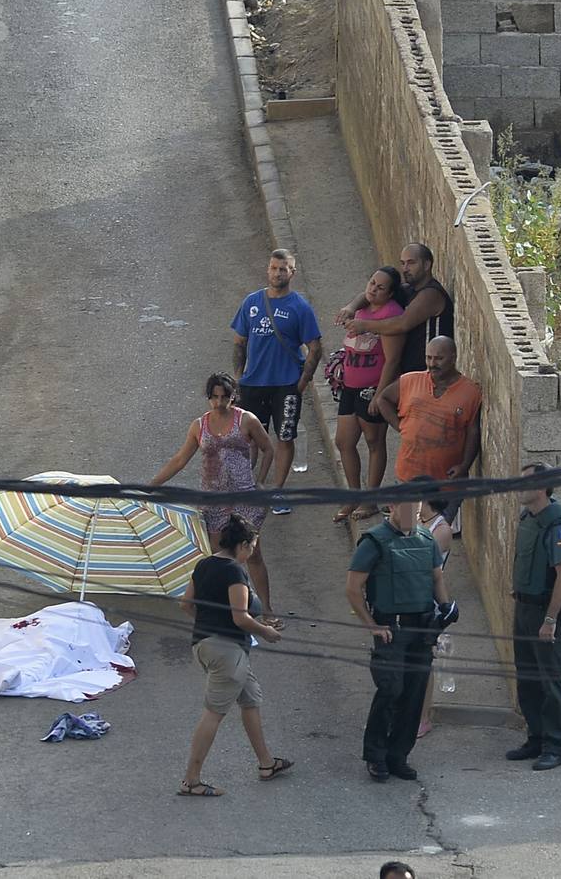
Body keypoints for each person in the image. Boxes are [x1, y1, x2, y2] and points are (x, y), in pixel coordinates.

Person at [177, 515, 292, 797]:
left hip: (208, 645)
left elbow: (186, 604)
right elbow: (240, 617)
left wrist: (209, 622)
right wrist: (266, 631)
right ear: (242, 544)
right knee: (214, 712)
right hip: (228, 650)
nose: (252, 553)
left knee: (251, 699)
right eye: (251, 547)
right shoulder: (234, 571)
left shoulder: (204, 564)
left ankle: (266, 763)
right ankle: (191, 780)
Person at [346, 500, 455, 783]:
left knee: (414, 694)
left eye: (416, 511)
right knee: (390, 690)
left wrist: (446, 608)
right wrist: (372, 626)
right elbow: (353, 588)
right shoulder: (375, 541)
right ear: (391, 507)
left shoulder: (425, 538)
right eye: (406, 509)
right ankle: (376, 756)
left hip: (421, 629)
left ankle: (398, 756)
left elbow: (436, 578)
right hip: (391, 629)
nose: (412, 516)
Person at [151, 373, 277, 613]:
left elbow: (268, 448)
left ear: (233, 397)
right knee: (221, 559)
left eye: (225, 397)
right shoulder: (199, 426)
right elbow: (179, 460)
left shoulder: (246, 420)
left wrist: (260, 481)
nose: (220, 403)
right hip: (213, 501)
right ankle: (233, 609)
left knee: (253, 555)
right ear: (208, 398)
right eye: (215, 397)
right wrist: (152, 486)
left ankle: (267, 610)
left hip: (244, 497)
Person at [231, 249, 323, 514]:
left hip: (286, 385)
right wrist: (239, 378)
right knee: (250, 437)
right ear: (267, 270)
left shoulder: (300, 308)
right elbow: (239, 342)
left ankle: (276, 491)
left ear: (292, 273)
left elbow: (315, 347)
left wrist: (302, 382)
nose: (277, 273)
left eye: (283, 269)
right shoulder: (252, 302)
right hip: (253, 383)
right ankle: (248, 488)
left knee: (285, 437)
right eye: (273, 268)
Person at [506, 463, 561, 771]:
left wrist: (550, 620)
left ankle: (554, 745)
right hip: (524, 609)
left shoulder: (556, 525)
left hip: (546, 614)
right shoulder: (528, 519)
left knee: (551, 681)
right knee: (528, 678)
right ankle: (535, 737)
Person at [333, 267, 405, 524]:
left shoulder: (391, 314)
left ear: (391, 293)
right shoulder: (363, 307)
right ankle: (354, 495)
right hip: (350, 385)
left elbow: (393, 359)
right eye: (372, 283)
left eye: (380, 287)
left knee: (375, 442)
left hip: (372, 387)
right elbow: (363, 299)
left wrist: (380, 395)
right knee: (343, 441)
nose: (373, 289)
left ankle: (370, 499)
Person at [373, 336, 481, 487]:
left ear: (453, 358)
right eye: (428, 358)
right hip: (408, 477)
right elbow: (383, 399)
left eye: (439, 359)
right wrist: (400, 426)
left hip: (446, 482)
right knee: (406, 512)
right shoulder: (410, 381)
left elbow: (473, 431)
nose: (432, 364)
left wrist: (464, 466)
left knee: (441, 512)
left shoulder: (470, 392)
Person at [335, 242, 453, 377]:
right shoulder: (409, 289)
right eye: (402, 263)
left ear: (426, 265)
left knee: (383, 398)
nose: (405, 268)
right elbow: (371, 295)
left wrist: (364, 325)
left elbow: (402, 324)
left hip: (428, 372)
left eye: (411, 263)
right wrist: (351, 307)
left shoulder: (431, 294)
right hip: (410, 373)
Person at [413, 485, 453, 739]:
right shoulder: (419, 521)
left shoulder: (442, 530)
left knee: (424, 659)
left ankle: (423, 717)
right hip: (411, 597)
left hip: (428, 600)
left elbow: (421, 561)